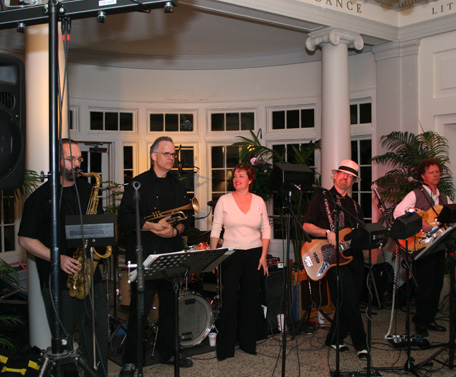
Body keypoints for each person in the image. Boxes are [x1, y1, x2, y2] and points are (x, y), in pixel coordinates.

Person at [18, 138, 109, 377]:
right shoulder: (40, 198)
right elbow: (25, 240)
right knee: (65, 342)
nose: (78, 164)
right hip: (59, 279)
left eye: (79, 159)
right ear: (57, 161)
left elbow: (97, 226)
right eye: (71, 159)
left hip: (91, 276)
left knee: (97, 333)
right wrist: (57, 258)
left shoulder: (88, 190)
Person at [118, 136, 193, 376]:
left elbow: (187, 220)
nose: (172, 158)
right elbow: (125, 219)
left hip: (170, 251)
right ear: (154, 156)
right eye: (167, 154)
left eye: (173, 155)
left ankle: (168, 351)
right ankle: (131, 360)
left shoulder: (178, 185)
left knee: (170, 307)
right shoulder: (137, 184)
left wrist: (175, 230)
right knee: (140, 309)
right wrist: (152, 226)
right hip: (145, 253)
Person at [302, 159, 368, 360]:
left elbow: (359, 233)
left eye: (350, 176)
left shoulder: (355, 206)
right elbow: (306, 225)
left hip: (353, 257)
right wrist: (326, 232)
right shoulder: (321, 199)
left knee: (349, 300)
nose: (345, 178)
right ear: (335, 175)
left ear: (353, 181)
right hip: (330, 257)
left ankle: (334, 338)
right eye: (342, 174)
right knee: (348, 298)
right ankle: (360, 342)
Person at [209, 162, 271, 361]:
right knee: (229, 301)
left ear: (250, 180)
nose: (237, 179)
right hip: (231, 254)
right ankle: (225, 349)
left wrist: (263, 256)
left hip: (254, 254)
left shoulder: (259, 201)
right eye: (235, 175)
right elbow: (216, 228)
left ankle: (247, 343)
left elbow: (266, 229)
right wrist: (213, 255)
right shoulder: (224, 201)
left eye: (241, 175)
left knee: (250, 300)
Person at [393, 158, 451, 337]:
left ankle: (430, 318)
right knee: (425, 286)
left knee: (436, 285)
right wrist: (419, 223)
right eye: (432, 172)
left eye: (437, 172)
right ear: (423, 175)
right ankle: (420, 321)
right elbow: (398, 212)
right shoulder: (415, 194)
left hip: (438, 245)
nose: (436, 175)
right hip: (421, 246)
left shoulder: (444, 197)